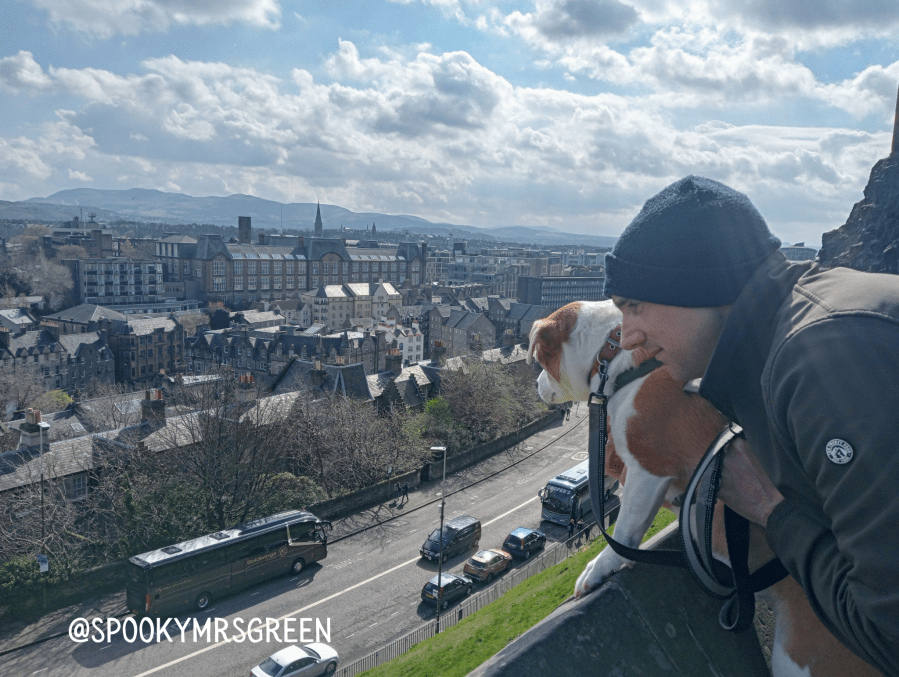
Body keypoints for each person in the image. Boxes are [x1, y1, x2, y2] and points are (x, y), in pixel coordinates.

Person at [603, 175, 899, 675]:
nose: (629, 337)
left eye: (635, 305)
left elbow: (888, 633)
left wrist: (771, 511)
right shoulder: (804, 321)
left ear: (701, 286)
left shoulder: (819, 361)